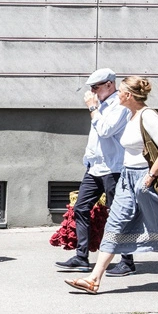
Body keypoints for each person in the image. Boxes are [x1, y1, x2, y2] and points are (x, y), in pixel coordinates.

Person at [66, 76, 158, 296]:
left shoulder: (147, 115)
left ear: (128, 95)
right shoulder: (130, 115)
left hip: (145, 179)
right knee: (114, 224)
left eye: (121, 91)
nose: (118, 94)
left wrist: (150, 177)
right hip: (127, 178)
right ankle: (94, 279)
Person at [55, 68, 135, 276]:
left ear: (109, 84)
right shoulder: (101, 105)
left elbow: (106, 130)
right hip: (95, 168)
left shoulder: (120, 105)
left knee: (117, 213)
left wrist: (92, 108)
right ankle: (81, 257)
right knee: (81, 208)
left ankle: (127, 261)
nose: (92, 92)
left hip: (114, 168)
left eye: (95, 87)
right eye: (91, 88)